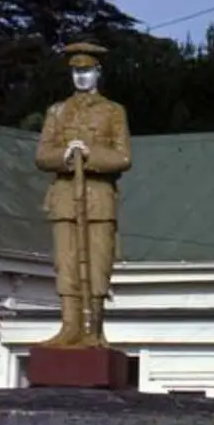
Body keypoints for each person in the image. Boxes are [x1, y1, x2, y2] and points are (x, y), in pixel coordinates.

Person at [35, 41, 132, 347]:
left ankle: (92, 329)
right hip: (65, 198)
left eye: (87, 70)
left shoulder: (113, 111)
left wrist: (89, 154)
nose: (81, 77)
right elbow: (41, 156)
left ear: (98, 73)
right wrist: (66, 153)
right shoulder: (57, 111)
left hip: (98, 198)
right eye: (76, 71)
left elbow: (123, 158)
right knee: (66, 263)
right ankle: (69, 327)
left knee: (98, 262)